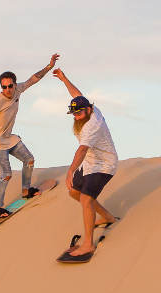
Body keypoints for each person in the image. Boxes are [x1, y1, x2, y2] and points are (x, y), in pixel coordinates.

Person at [0, 53, 60, 220]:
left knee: (29, 160)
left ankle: (25, 190)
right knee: (6, 174)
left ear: (15, 85)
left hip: (9, 138)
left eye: (10, 86)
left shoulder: (18, 90)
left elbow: (33, 79)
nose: (7, 90)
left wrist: (49, 66)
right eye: (4, 87)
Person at [53, 67, 119, 260]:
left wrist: (71, 170)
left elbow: (82, 150)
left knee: (85, 199)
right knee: (74, 192)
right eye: (74, 114)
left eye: (80, 113)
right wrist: (64, 79)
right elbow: (77, 95)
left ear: (89, 110)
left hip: (104, 164)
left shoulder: (92, 124)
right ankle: (107, 217)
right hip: (90, 163)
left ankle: (88, 244)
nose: (77, 117)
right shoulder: (88, 107)